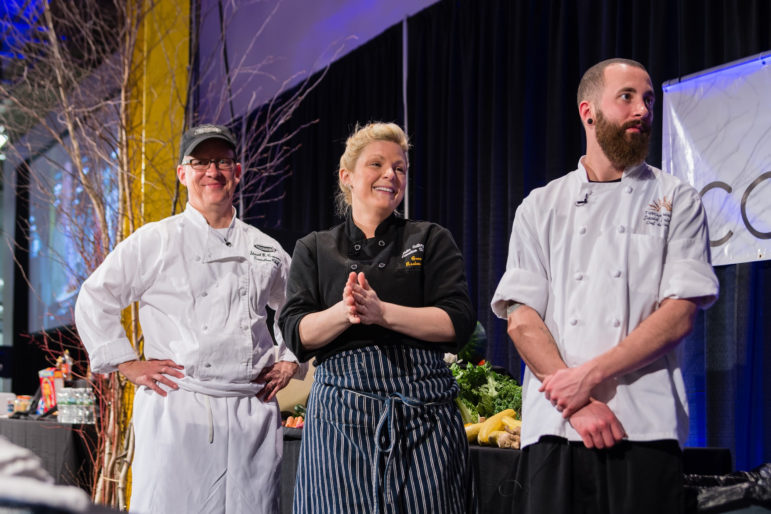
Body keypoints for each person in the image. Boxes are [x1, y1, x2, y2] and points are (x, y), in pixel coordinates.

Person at [491, 58, 719, 514]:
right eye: (628, 97)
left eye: (649, 99)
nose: (643, 111)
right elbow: (520, 318)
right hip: (555, 427)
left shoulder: (677, 198)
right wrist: (576, 403)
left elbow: (678, 316)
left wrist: (588, 378)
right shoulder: (540, 206)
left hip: (643, 425)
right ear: (588, 111)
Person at [75, 124, 304, 513]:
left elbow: (299, 305)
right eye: (200, 162)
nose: (212, 171)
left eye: (222, 162)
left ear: (237, 172)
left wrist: (289, 358)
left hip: (250, 410)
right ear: (183, 173)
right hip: (180, 408)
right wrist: (127, 363)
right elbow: (95, 296)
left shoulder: (265, 247)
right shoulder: (157, 239)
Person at [278, 122, 477, 513]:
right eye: (377, 164)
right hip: (339, 420)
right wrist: (345, 311)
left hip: (424, 417)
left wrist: (382, 312)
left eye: (400, 168)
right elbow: (296, 333)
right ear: (346, 176)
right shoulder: (315, 248)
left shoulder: (431, 238)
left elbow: (458, 321)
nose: (391, 174)